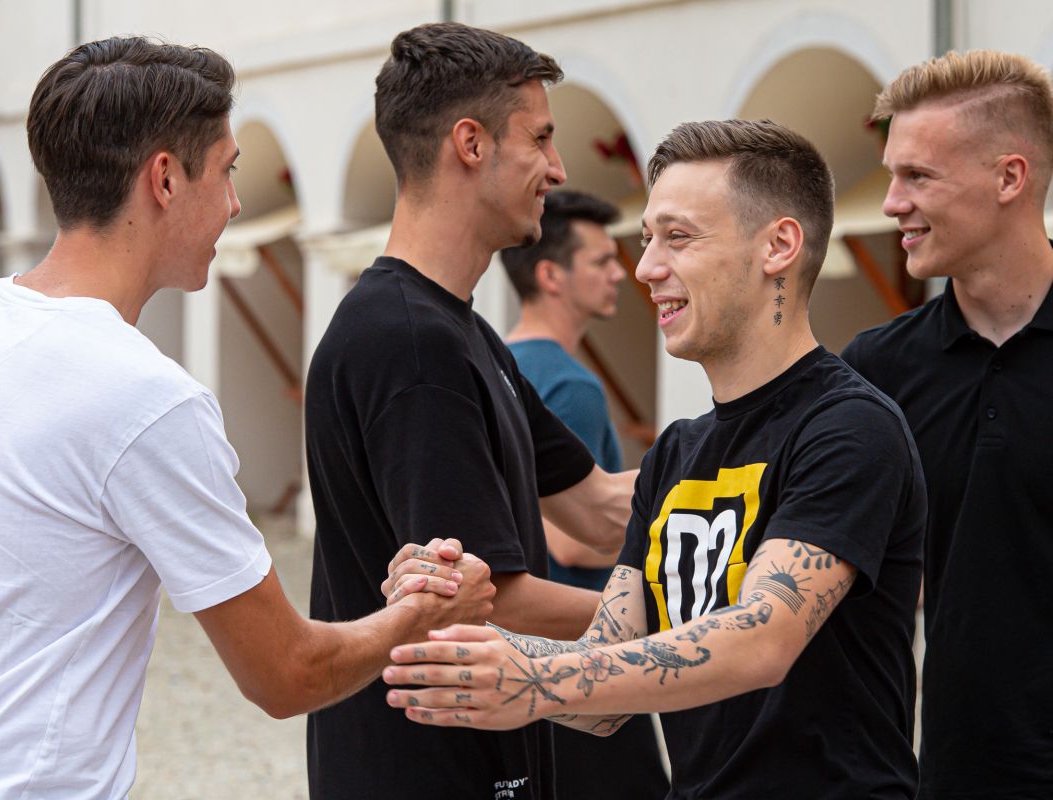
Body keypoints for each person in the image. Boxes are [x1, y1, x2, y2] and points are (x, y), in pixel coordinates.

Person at [0, 37, 494, 800]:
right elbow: (286, 673)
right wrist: (418, 615)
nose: (235, 203)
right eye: (227, 170)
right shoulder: (147, 398)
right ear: (164, 179)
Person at [383, 118, 927, 799]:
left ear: (779, 246)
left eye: (678, 237)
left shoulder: (850, 427)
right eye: (647, 240)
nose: (646, 270)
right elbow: (602, 686)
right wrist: (463, 621)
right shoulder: (675, 453)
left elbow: (763, 639)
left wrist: (534, 676)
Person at [305, 22, 638, 800]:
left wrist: (762, 478)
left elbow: (598, 508)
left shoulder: (462, 331)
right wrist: (694, 628)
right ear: (471, 143)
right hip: (422, 772)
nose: (557, 169)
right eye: (541, 138)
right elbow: (489, 601)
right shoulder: (410, 344)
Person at [841, 50, 1053, 799]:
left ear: (1009, 178)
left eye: (918, 176)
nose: (892, 202)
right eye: (891, 175)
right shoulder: (876, 370)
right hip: (955, 772)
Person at [500, 189, 669, 799]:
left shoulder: (500, 368)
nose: (621, 272)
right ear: (551, 275)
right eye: (601, 261)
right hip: (586, 648)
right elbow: (572, 542)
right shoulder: (572, 387)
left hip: (525, 651)